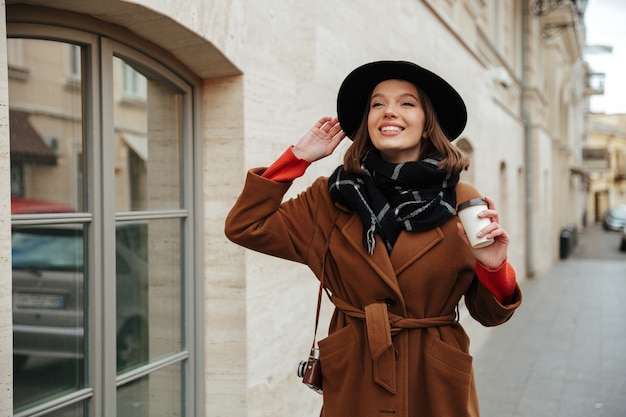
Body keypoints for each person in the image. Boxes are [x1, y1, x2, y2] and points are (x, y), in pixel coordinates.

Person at [225, 60, 522, 417]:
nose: (388, 112)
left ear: (429, 124)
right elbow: (245, 226)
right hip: (356, 375)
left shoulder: (461, 199)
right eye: (377, 104)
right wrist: (297, 159)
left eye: (406, 103)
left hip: (434, 381)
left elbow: (490, 315)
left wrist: (495, 268)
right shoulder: (330, 197)